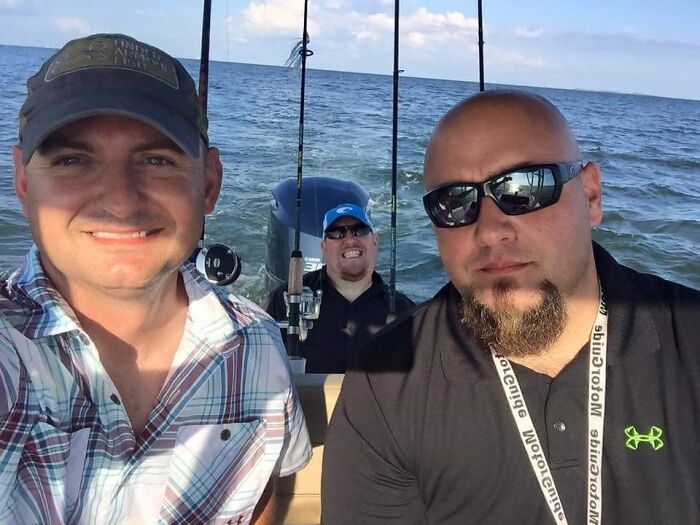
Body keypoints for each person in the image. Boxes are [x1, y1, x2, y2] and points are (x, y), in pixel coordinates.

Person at [321, 90, 700, 524]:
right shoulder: (385, 384)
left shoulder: (689, 345)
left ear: (590, 196)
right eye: (454, 203)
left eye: (524, 188)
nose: (489, 231)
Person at [0, 33, 311, 524]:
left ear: (209, 182)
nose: (121, 202)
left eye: (157, 160)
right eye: (72, 160)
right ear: (22, 181)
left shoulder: (258, 347)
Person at [266, 203, 414, 373]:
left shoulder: (407, 311)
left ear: (375, 240)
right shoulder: (284, 300)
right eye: (336, 233)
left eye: (360, 230)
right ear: (324, 247)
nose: (350, 239)